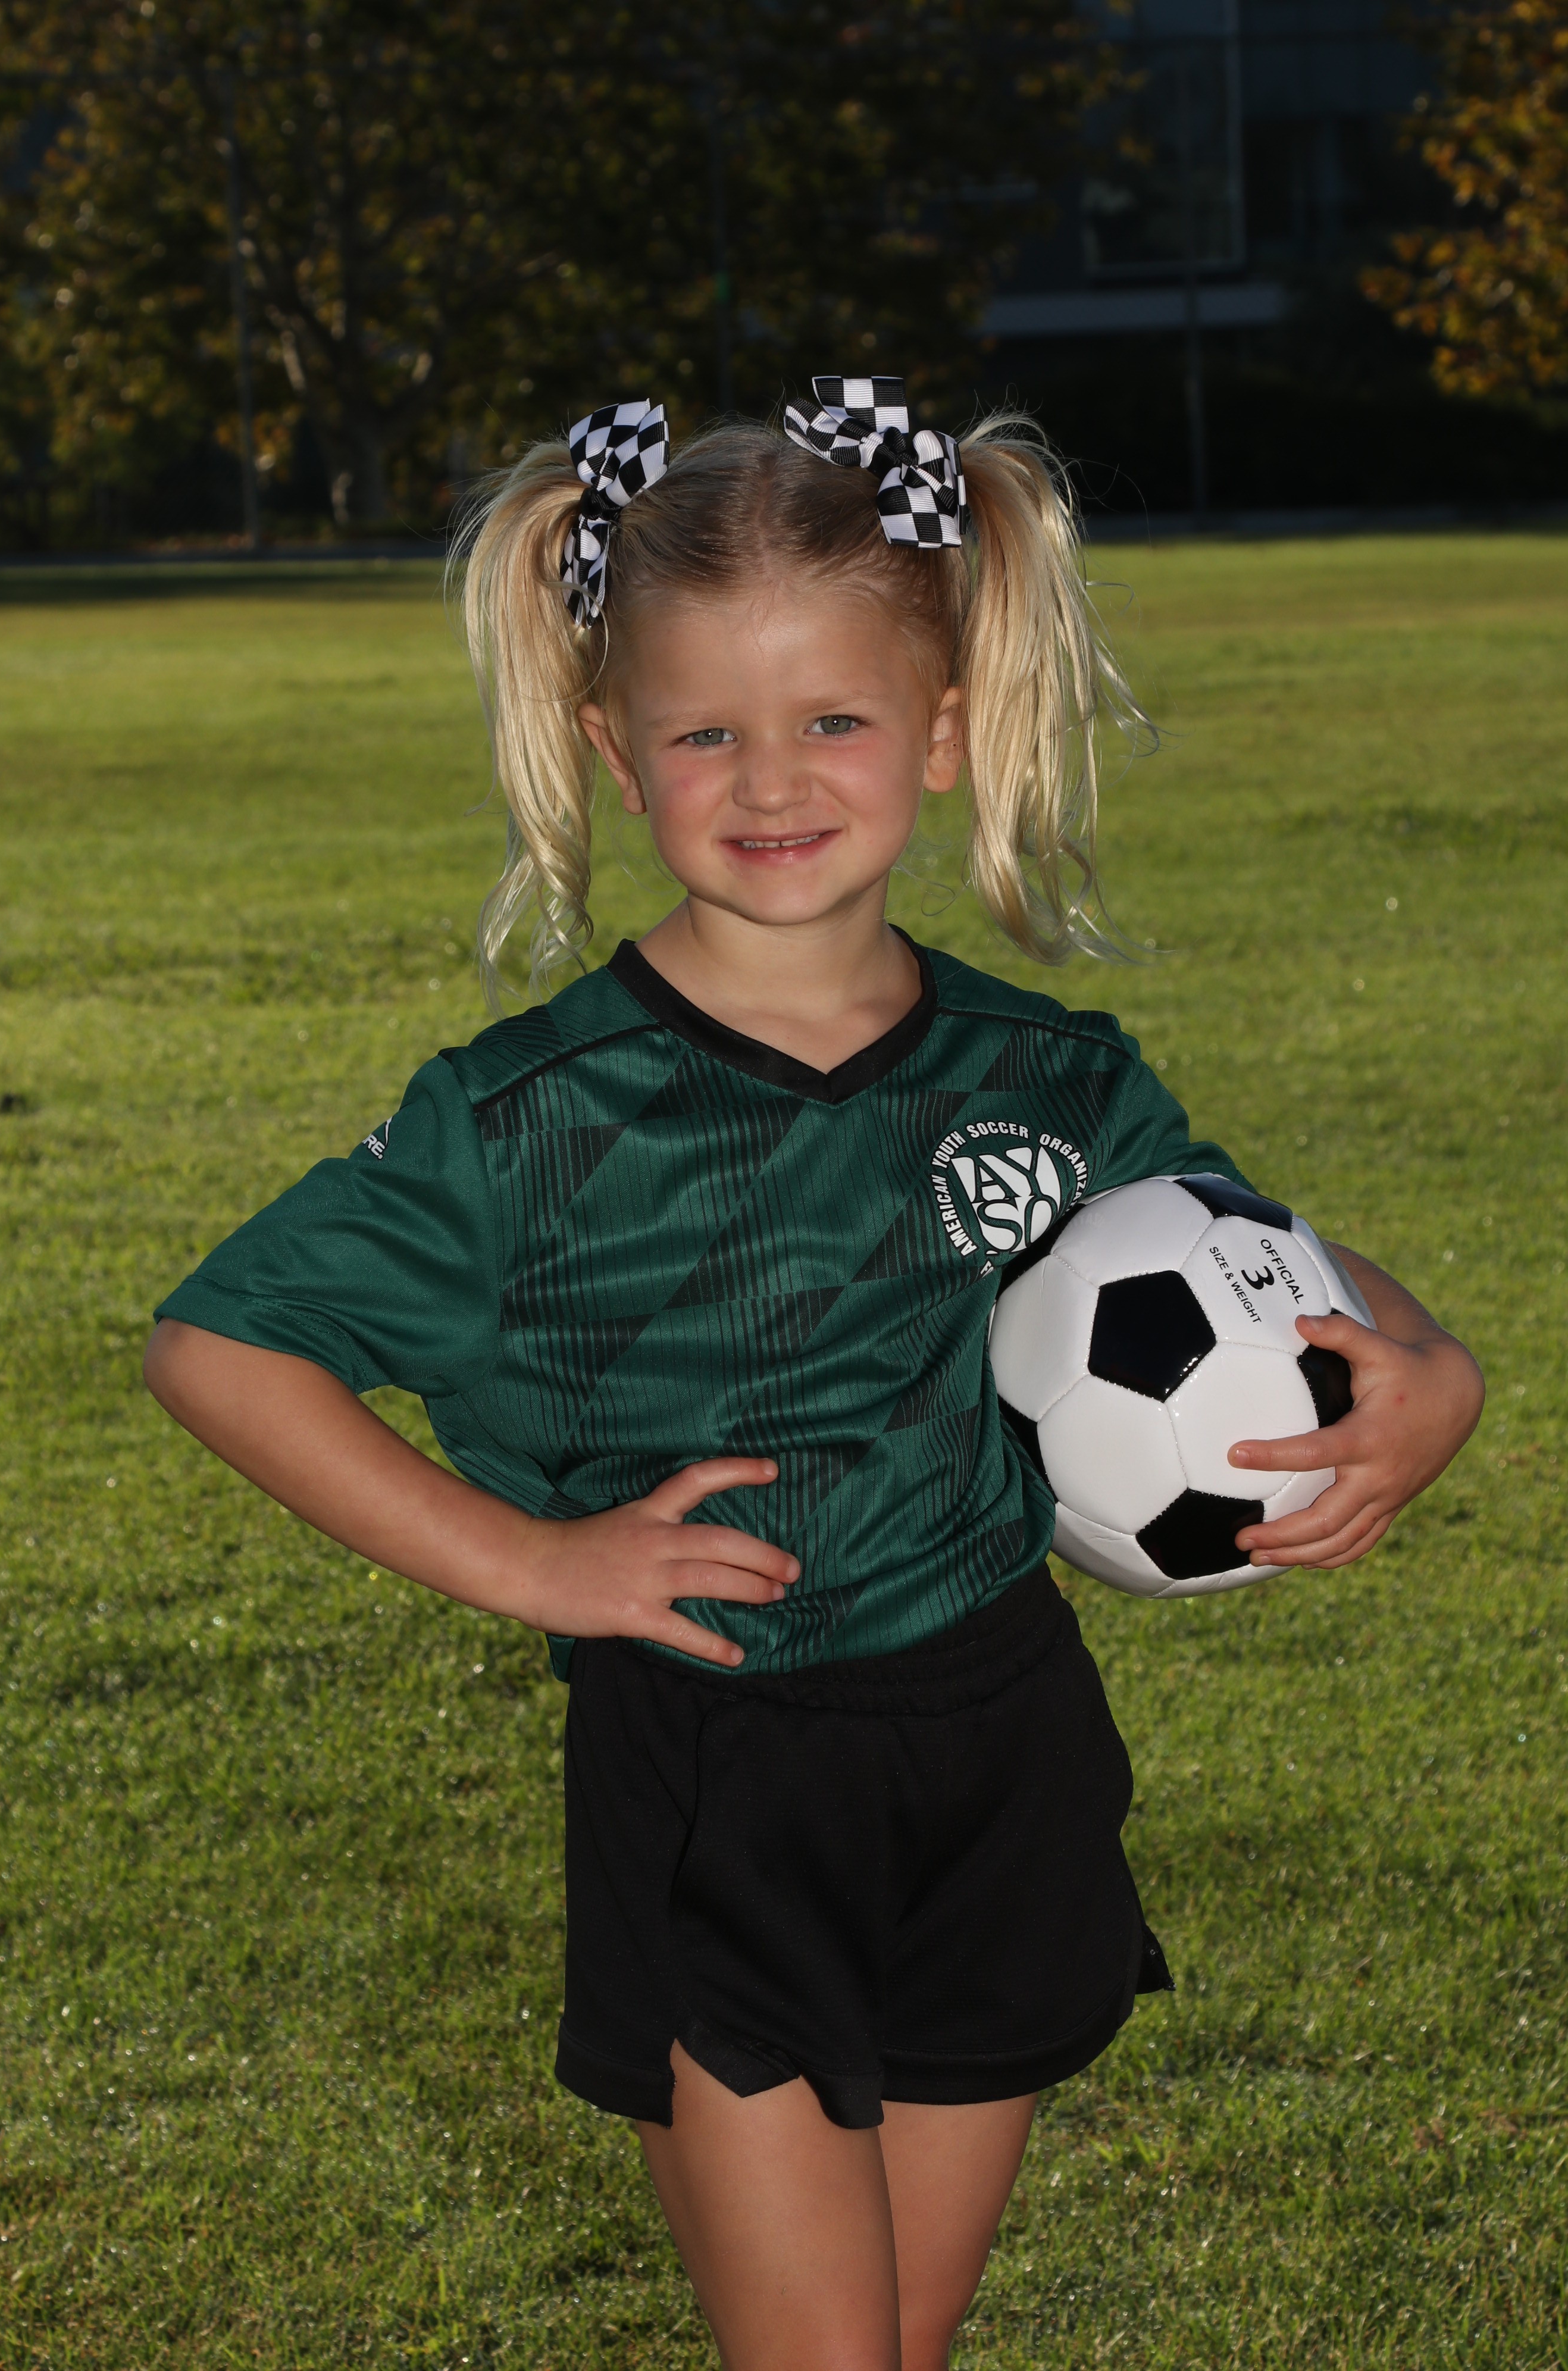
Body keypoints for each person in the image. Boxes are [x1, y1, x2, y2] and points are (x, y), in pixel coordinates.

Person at [144, 380, 1484, 2371]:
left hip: (1003, 1748)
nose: (771, 778)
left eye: (834, 720)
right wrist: (537, 1566)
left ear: (940, 732)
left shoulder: (1047, 1076)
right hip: (720, 1774)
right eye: (706, 732)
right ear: (616, 751)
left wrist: (1429, 1365)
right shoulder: (526, 1119)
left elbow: (1247, 1250)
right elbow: (219, 1345)